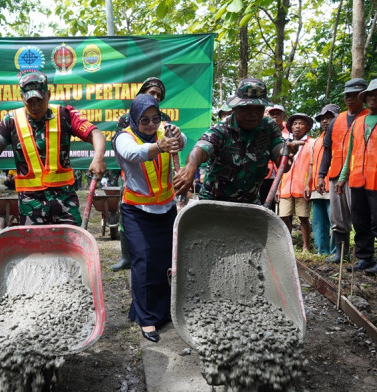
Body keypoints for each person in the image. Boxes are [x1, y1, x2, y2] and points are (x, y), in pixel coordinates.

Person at [0, 72, 107, 225]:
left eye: (39, 100)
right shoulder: (11, 121)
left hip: (65, 203)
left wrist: (98, 158)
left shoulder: (65, 115)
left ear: (49, 94)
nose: (35, 106)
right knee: (32, 241)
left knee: (74, 239)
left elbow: (95, 134)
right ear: (22, 98)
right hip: (30, 206)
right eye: (30, 101)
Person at [113, 93, 186, 342]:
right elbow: (133, 154)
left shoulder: (165, 130)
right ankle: (146, 319)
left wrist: (178, 136)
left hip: (166, 209)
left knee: (164, 262)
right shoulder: (123, 137)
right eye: (144, 120)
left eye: (156, 119)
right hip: (137, 211)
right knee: (143, 262)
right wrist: (159, 146)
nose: (151, 124)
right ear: (135, 119)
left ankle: (163, 311)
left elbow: (183, 142)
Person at [173, 78, 286, 203]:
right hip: (213, 200)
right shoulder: (222, 129)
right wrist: (191, 166)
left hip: (249, 203)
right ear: (235, 108)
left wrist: (285, 153)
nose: (253, 114)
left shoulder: (269, 127)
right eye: (247, 108)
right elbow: (201, 148)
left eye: (258, 109)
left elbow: (280, 155)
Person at [336, 79, 377, 275]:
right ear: (365, 98)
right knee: (359, 220)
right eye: (370, 94)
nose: (373, 98)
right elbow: (350, 152)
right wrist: (342, 177)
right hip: (357, 179)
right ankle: (365, 257)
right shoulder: (358, 121)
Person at [112, 77, 170, 271]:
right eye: (151, 93)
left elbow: (174, 141)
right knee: (127, 214)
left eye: (158, 95)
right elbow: (121, 146)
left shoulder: (165, 120)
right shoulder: (126, 118)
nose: (155, 97)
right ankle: (126, 256)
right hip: (134, 172)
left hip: (159, 174)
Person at [317, 78, 369, 264]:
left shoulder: (368, 118)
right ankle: (341, 253)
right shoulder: (336, 121)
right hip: (336, 174)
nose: (350, 99)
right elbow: (327, 150)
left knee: (360, 217)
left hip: (359, 176)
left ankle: (364, 255)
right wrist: (321, 175)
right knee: (337, 217)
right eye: (347, 95)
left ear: (363, 97)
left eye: (354, 95)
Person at [304, 104, 341, 256]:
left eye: (329, 118)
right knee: (318, 221)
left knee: (335, 220)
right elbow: (311, 164)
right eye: (322, 119)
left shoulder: (340, 138)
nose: (325, 121)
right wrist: (308, 184)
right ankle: (322, 251)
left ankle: (336, 251)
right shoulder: (316, 141)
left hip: (333, 185)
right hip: (316, 187)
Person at [276, 113, 314, 252]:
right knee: (284, 216)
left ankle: (306, 247)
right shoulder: (285, 143)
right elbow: (279, 166)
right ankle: (287, 245)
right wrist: (278, 187)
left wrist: (308, 184)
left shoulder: (311, 143)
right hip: (286, 185)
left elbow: (313, 165)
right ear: (290, 127)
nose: (297, 126)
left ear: (307, 127)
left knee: (303, 217)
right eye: (295, 124)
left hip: (302, 186)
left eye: (301, 124)